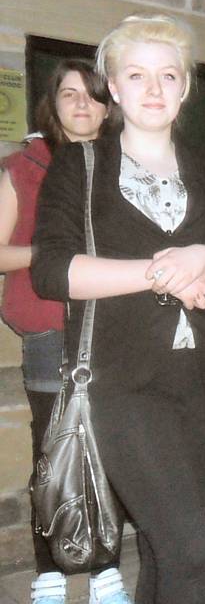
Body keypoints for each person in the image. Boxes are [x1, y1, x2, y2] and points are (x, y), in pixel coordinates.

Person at [31, 14, 205, 604]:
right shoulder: (79, 165)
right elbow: (52, 271)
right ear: (115, 86)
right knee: (190, 547)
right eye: (137, 75)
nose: (154, 89)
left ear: (184, 88)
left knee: (161, 549)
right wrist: (165, 274)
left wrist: (203, 256)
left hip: (200, 383)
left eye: (169, 76)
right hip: (120, 383)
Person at [0, 59, 132, 604]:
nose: (82, 105)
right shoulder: (24, 165)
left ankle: (105, 567)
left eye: (93, 96)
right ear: (51, 104)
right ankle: (49, 570)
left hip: (118, 328)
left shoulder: (127, 165)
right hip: (53, 331)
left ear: (108, 104)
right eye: (70, 94)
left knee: (115, 450)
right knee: (51, 453)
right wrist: (59, 256)